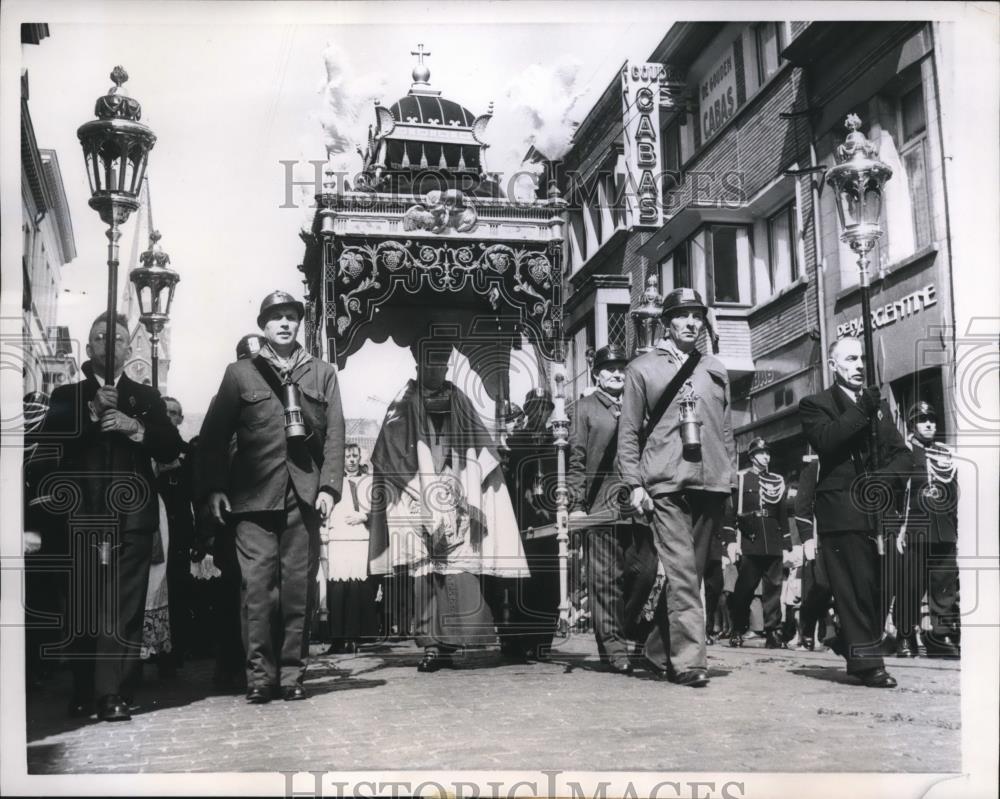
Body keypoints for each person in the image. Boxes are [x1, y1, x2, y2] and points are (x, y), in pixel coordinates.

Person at [33, 311, 182, 721]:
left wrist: (137, 428)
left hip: (132, 518)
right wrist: (92, 414)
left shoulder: (147, 398)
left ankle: (113, 691)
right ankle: (86, 687)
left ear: (129, 348)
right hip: (83, 515)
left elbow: (171, 447)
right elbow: (48, 449)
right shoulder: (68, 397)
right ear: (89, 346)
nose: (108, 345)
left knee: (124, 607)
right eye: (100, 337)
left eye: (117, 339)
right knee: (85, 606)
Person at [199, 291, 345, 703]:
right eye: (275, 317)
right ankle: (260, 676)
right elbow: (212, 437)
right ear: (263, 326)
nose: (284, 323)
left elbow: (335, 433)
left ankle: (292, 675)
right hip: (251, 499)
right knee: (257, 589)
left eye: (290, 317)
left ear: (299, 324)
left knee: (297, 589)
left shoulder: (322, 373)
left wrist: (330, 488)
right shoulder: (240, 374)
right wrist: (213, 489)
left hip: (303, 497)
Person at [368, 338, 528, 672]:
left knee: (456, 571)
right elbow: (390, 452)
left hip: (456, 492)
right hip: (414, 492)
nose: (437, 368)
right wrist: (418, 493)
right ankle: (429, 644)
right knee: (424, 574)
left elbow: (479, 444)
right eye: (431, 361)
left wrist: (470, 484)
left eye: (442, 362)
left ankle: (452, 639)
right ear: (418, 363)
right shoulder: (403, 401)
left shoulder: (458, 397)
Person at [617, 288, 737, 688]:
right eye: (682, 316)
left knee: (693, 573)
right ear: (667, 322)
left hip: (712, 482)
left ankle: (655, 650)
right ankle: (689, 662)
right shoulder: (642, 369)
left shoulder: (716, 368)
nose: (691, 323)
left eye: (697, 316)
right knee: (684, 573)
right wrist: (634, 483)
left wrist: (730, 475)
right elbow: (629, 431)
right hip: (666, 483)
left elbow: (726, 428)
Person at [798, 336, 912, 688]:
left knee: (881, 587)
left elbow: (903, 454)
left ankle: (848, 641)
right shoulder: (815, 404)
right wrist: (863, 409)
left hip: (877, 507)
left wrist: (882, 478)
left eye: (862, 358)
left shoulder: (877, 406)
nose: (860, 364)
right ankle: (868, 664)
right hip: (841, 508)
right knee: (855, 586)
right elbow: (828, 440)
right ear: (834, 365)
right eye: (850, 359)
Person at [566, 345, 645, 674]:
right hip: (600, 508)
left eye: (621, 368)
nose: (616, 373)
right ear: (596, 374)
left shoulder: (635, 406)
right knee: (605, 581)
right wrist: (575, 504)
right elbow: (576, 460)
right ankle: (613, 647)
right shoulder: (583, 409)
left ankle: (622, 632)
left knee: (644, 573)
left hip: (637, 507)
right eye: (609, 368)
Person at [896, 401, 960, 659]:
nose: (929, 424)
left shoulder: (946, 454)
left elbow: (953, 493)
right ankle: (905, 635)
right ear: (913, 425)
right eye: (923, 420)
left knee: (944, 584)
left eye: (932, 419)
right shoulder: (904, 452)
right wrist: (897, 529)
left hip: (944, 528)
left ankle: (938, 634)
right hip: (916, 528)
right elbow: (897, 492)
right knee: (912, 585)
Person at [501, 387, 561, 662]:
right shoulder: (515, 443)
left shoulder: (558, 442)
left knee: (549, 584)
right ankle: (517, 641)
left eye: (544, 407)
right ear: (526, 411)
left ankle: (542, 642)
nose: (539, 413)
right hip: (521, 524)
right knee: (520, 586)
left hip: (550, 526)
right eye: (534, 407)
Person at [724, 437, 791, 649]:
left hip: (773, 540)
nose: (766, 457)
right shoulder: (741, 479)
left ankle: (773, 632)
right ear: (752, 457)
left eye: (768, 453)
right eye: (762, 453)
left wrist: (787, 545)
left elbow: (782, 516)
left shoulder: (778, 481)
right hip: (750, 541)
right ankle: (737, 629)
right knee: (744, 589)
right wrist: (730, 542)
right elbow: (730, 514)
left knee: (774, 590)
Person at [320, 443, 379, 654]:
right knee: (336, 587)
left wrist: (364, 516)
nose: (352, 460)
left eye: (355, 456)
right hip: (338, 537)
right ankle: (337, 639)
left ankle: (354, 637)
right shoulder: (332, 482)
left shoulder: (369, 481)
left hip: (360, 538)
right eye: (347, 457)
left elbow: (379, 508)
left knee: (356, 587)